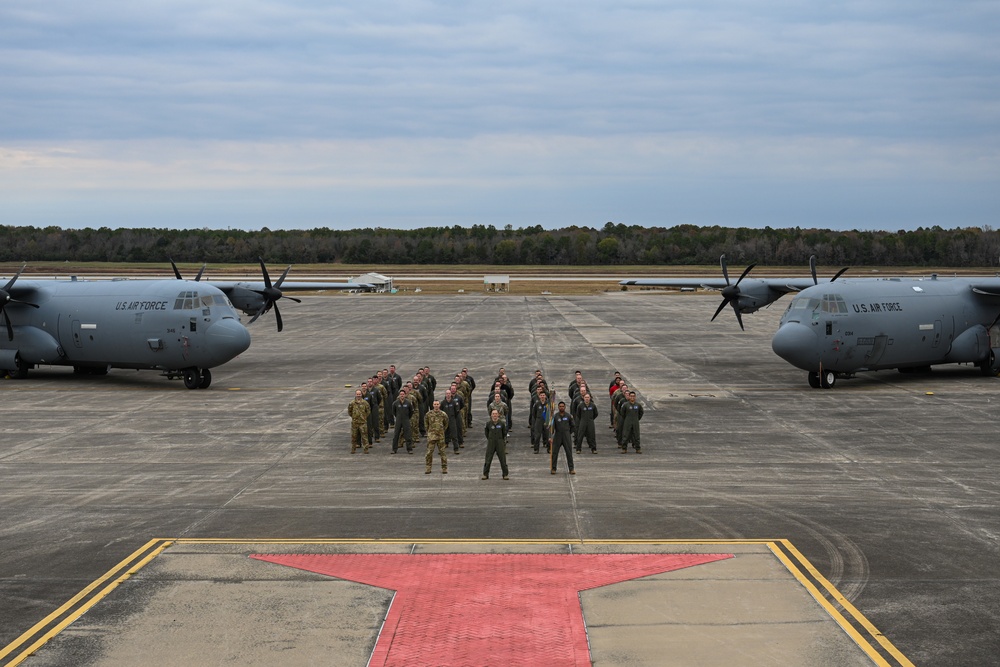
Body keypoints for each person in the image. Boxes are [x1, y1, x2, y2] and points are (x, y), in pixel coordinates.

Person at [482, 409, 509, 480]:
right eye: (493, 414)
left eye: (496, 414)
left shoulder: (501, 423)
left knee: (503, 459)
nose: (494, 415)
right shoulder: (488, 424)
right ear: (491, 415)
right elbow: (486, 433)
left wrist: (500, 440)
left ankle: (505, 474)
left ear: (498, 415)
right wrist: (490, 439)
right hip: (491, 442)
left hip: (500, 442)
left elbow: (504, 433)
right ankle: (485, 474)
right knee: (488, 459)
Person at [549, 401, 575, 475]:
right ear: (558, 407)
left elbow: (573, 426)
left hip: (566, 436)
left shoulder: (568, 416)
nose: (561, 407)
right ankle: (553, 468)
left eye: (563, 406)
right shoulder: (555, 416)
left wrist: (568, 433)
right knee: (554, 452)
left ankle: (571, 469)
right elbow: (552, 428)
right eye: (560, 406)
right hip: (558, 435)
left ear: (565, 407)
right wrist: (550, 437)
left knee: (569, 453)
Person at [425, 400, 449, 474]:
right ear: (433, 405)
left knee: (443, 453)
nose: (436, 405)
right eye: (435, 404)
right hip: (431, 437)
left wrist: (441, 431)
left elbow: (446, 424)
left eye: (437, 404)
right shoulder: (428, 414)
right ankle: (428, 468)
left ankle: (444, 468)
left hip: (440, 436)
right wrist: (430, 432)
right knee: (429, 453)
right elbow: (426, 424)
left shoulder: (443, 414)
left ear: (439, 405)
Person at [347, 389, 371, 454]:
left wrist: (364, 417)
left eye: (359, 394)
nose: (358, 395)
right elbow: (349, 411)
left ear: (361, 394)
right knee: (354, 436)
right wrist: (354, 417)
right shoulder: (352, 403)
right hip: (355, 422)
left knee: (364, 436)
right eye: (357, 394)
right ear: (355, 395)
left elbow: (368, 411)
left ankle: (366, 449)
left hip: (362, 423)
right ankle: (353, 449)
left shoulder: (365, 403)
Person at [441, 388, 464, 453]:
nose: (448, 395)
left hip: (452, 419)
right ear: (445, 395)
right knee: (445, 432)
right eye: (447, 394)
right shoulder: (443, 403)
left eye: (449, 393)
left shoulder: (454, 402)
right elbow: (441, 410)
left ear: (451, 394)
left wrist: (453, 417)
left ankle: (456, 448)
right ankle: (445, 444)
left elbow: (457, 411)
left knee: (454, 434)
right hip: (445, 420)